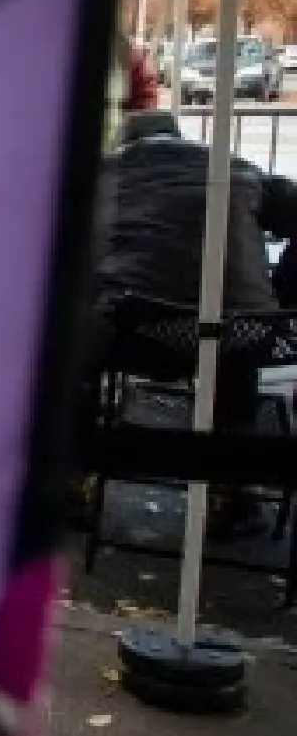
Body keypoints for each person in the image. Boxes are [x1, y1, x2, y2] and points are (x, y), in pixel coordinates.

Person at [91, 110, 297, 531]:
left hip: (138, 329)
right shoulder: (234, 167)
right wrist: (281, 294)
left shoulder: (106, 175)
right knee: (228, 347)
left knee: (73, 348)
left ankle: (74, 480)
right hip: (247, 332)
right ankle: (233, 496)